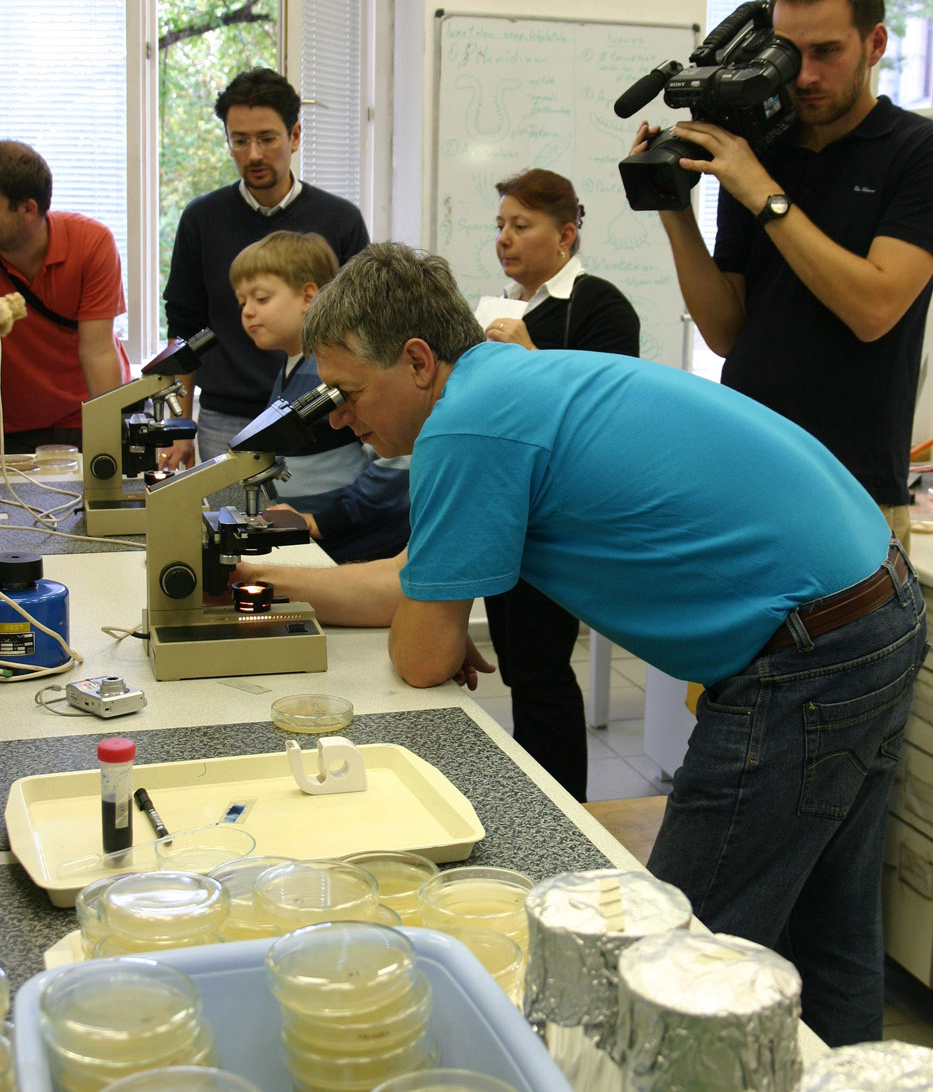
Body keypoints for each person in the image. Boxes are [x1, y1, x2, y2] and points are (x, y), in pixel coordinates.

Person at [240, 241, 925, 1047]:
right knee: (829, 927)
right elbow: (414, 580)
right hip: (875, 607)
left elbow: (420, 657)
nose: (340, 417)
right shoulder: (505, 383)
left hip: (811, 653)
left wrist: (434, 619)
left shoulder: (465, 426)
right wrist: (263, 578)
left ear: (418, 361)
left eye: (350, 393)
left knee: (670, 964)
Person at [635, 0, 933, 548]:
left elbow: (873, 309)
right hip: (744, 471)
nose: (805, 76)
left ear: (875, 44)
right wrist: (673, 208)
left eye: (827, 52)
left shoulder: (914, 152)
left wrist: (764, 195)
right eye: (790, 54)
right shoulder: (761, 150)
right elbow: (725, 332)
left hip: (854, 488)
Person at [480, 168, 640, 798]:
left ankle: (565, 812)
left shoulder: (599, 307)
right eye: (500, 225)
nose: (504, 239)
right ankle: (535, 799)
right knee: (520, 668)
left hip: (558, 518)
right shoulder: (502, 305)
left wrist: (527, 356)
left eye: (521, 226)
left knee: (543, 671)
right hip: (505, 508)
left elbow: (602, 418)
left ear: (566, 235)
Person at [162, 67, 369, 467]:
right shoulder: (201, 219)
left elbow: (362, 326)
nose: (254, 154)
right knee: (228, 510)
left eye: (267, 138)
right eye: (240, 141)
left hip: (319, 419)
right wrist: (179, 426)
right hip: (226, 419)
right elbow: (184, 327)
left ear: (295, 136)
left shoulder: (341, 220)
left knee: (312, 507)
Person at [229, 229, 410, 563]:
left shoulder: (333, 372)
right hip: (322, 542)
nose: (247, 311)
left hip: (358, 548)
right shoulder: (292, 367)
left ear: (308, 296)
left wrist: (324, 522)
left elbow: (398, 460)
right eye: (242, 302)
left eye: (261, 299)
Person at [0, 140, 130, 450]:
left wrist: (109, 435)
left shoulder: (90, 242)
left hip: (84, 417)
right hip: (12, 427)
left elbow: (97, 351)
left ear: (27, 209)